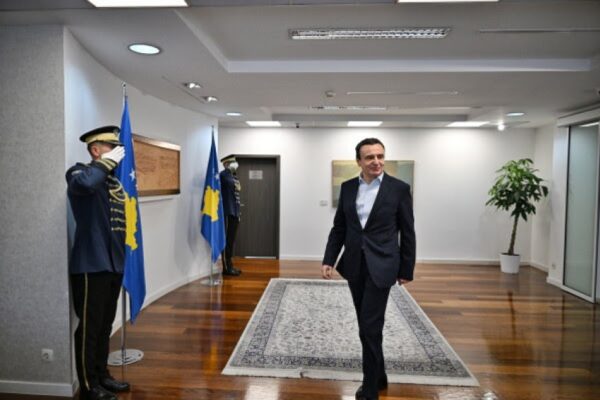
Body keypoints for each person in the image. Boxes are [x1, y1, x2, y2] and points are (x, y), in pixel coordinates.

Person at [322, 138, 416, 400]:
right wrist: (329, 259)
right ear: (359, 162)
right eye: (370, 157)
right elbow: (340, 227)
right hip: (354, 265)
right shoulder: (348, 187)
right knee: (367, 325)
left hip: (383, 264)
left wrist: (406, 268)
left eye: (380, 156)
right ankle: (381, 375)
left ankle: (370, 388)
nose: (376, 161)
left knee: (369, 326)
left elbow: (408, 231)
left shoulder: (399, 189)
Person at [66, 126, 131, 400]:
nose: (117, 151)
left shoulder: (111, 182)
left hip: (113, 263)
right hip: (91, 264)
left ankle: (102, 375)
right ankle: (89, 386)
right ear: (95, 150)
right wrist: (104, 163)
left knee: (105, 325)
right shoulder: (79, 173)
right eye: (111, 147)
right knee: (90, 328)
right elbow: (84, 185)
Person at [219, 154, 242, 276]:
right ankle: (226, 267)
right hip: (227, 211)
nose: (235, 164)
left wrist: (238, 212)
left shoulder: (233, 176)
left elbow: (236, 194)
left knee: (231, 240)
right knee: (226, 240)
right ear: (226, 164)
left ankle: (230, 265)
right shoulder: (222, 175)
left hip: (235, 211)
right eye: (233, 162)